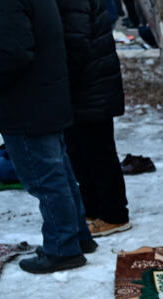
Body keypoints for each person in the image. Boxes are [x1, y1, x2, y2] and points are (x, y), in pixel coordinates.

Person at [0, 0, 97, 273]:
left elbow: (10, 51)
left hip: (26, 103)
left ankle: (63, 248)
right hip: (40, 98)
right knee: (57, 172)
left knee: (47, 179)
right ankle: (76, 237)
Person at [59, 0, 132, 237]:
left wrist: (58, 77)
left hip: (90, 85)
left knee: (98, 153)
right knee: (79, 151)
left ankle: (114, 215)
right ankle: (92, 208)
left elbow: (75, 42)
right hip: (84, 86)